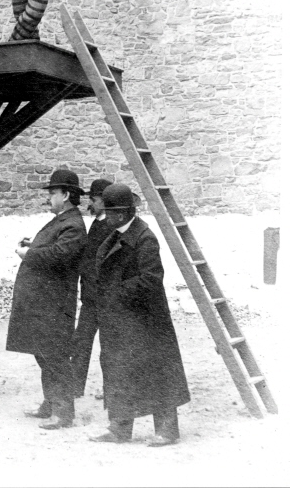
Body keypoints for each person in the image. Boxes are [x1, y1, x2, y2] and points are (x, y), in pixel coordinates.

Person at [89, 184, 191, 447]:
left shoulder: (144, 237)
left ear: (121, 214)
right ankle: (119, 428)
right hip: (121, 320)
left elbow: (151, 279)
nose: (103, 214)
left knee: (157, 372)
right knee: (119, 370)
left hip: (146, 320)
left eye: (108, 211)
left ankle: (167, 431)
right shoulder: (115, 234)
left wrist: (116, 293)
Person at [6, 169, 87, 430]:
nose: (49, 198)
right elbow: (52, 248)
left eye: (52, 193)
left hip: (55, 304)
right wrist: (33, 245)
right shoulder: (62, 220)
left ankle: (63, 413)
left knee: (55, 357)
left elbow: (60, 255)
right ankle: (50, 404)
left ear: (65, 195)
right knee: (44, 355)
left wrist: (27, 254)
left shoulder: (73, 224)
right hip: (44, 303)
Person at [70, 178, 113, 401]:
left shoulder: (112, 227)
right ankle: (75, 388)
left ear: (105, 201)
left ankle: (111, 391)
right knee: (81, 342)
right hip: (91, 298)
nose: (90, 205)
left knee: (109, 348)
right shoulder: (97, 223)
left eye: (94, 200)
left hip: (106, 299)